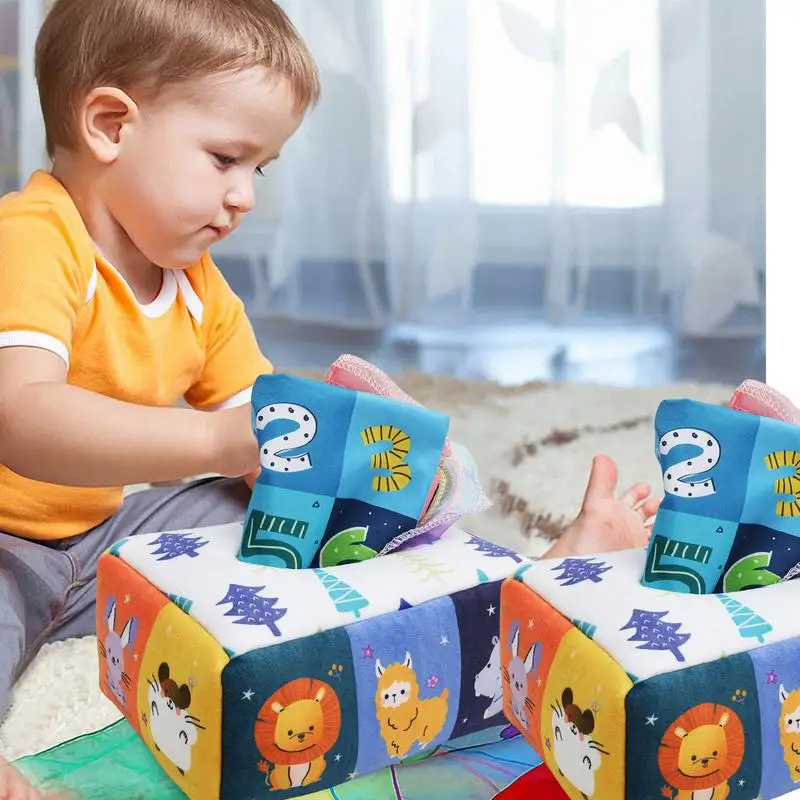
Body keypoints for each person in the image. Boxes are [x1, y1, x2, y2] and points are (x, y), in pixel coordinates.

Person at [0, 1, 659, 796]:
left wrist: (354, 471)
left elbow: (263, 434)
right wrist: (218, 442)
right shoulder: (31, 240)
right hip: (8, 544)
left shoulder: (197, 289)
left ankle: (524, 590)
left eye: (260, 169)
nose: (245, 196)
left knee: (288, 528)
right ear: (110, 124)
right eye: (224, 158)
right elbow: (22, 418)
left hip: (101, 530)